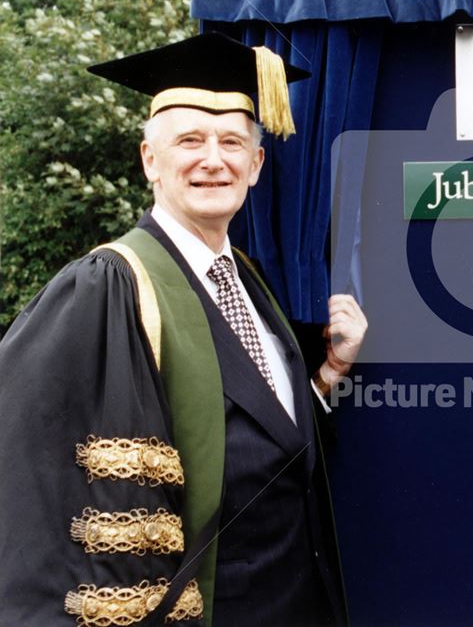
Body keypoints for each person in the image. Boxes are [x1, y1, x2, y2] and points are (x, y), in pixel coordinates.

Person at [0, 33, 367, 627]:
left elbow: (262, 443)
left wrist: (327, 377)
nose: (212, 159)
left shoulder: (247, 280)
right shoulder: (109, 286)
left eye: (230, 142)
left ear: (256, 164)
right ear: (150, 160)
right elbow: (50, 487)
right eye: (189, 141)